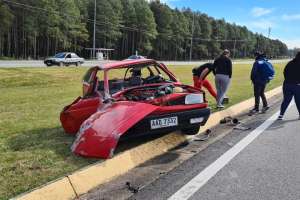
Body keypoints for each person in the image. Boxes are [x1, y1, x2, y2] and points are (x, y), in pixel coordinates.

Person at [278, 52, 300, 120]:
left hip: (287, 84)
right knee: (298, 101)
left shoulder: (290, 63)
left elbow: (284, 72)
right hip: (297, 85)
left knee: (286, 100)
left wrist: (288, 79)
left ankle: (281, 115)